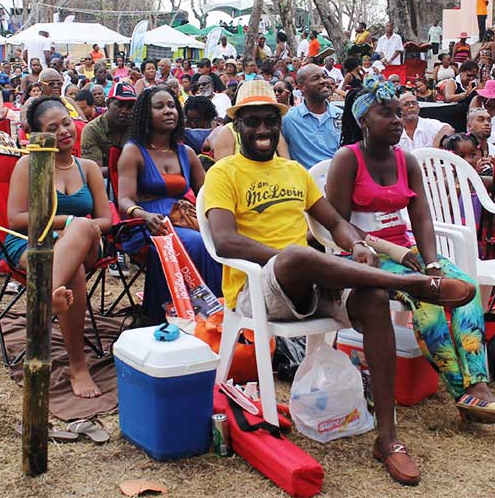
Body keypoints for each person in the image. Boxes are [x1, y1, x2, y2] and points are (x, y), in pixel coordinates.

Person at [204, 76, 478, 487]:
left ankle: (387, 438)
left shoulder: (294, 171)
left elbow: (335, 222)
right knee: (299, 254)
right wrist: (306, 261)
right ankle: (415, 285)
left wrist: (358, 246)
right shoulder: (224, 173)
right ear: (236, 127)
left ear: (278, 125)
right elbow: (224, 239)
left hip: (312, 279)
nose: (262, 130)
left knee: (370, 296)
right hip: (258, 290)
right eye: (251, 122)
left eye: (268, 121)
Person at [331, 76, 495, 423]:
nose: (398, 122)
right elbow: (338, 225)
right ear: (363, 121)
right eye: (387, 114)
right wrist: (398, 255)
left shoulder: (406, 160)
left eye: (399, 114)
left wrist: (431, 263)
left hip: (408, 251)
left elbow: (422, 218)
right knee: (427, 302)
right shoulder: (347, 159)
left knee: (465, 289)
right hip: (363, 257)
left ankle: (479, 385)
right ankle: (463, 390)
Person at [6, 96, 113, 398]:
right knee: (73, 269)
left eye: (67, 122)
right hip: (31, 242)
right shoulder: (28, 163)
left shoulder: (89, 167)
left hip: (83, 239)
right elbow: (15, 219)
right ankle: (79, 367)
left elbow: (105, 219)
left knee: (80, 227)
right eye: (53, 128)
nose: (65, 131)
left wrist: (74, 225)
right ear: (38, 134)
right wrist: (65, 221)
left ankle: (42, 298)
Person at [117, 85, 221, 320]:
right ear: (145, 114)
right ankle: (188, 313)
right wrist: (144, 215)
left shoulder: (187, 153)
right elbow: (123, 199)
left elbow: (207, 194)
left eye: (172, 106)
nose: (168, 111)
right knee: (199, 243)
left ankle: (217, 312)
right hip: (147, 222)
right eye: (160, 106)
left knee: (218, 240)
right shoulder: (133, 151)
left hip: (182, 217)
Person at [282, 64, 343, 169]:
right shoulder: (288, 120)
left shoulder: (341, 116)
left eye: (324, 76)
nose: (323, 81)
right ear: (302, 87)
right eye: (316, 78)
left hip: (339, 180)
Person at [81, 82, 136, 169]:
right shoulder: (92, 129)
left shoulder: (136, 127)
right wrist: (126, 169)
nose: (125, 110)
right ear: (108, 104)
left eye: (130, 106)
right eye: (120, 105)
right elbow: (93, 170)